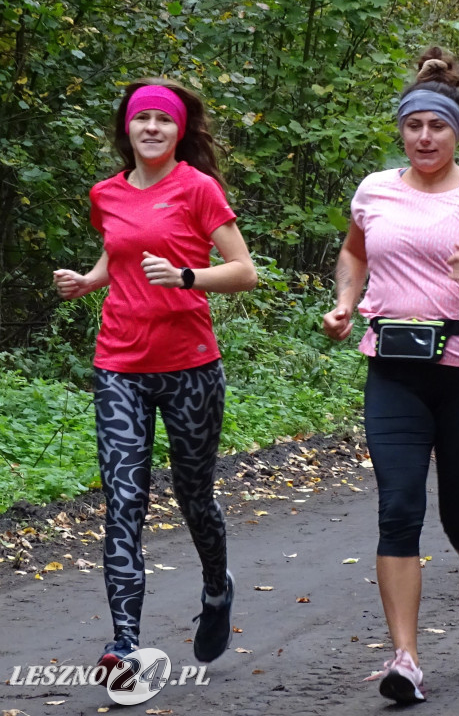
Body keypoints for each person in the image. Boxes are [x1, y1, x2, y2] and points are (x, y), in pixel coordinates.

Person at [322, 47, 459, 705]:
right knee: (398, 508)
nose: (424, 138)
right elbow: (354, 253)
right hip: (393, 368)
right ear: (402, 130)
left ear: (456, 132)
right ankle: (406, 657)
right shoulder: (374, 189)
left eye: (436, 127)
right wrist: (344, 302)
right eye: (413, 126)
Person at [52, 78, 258, 673]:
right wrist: (91, 280)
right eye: (141, 119)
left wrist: (187, 276)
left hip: (190, 367)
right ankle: (123, 645)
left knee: (195, 498)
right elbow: (119, 251)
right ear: (127, 129)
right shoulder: (106, 194)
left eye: (163, 121)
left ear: (179, 131)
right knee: (122, 501)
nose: (151, 128)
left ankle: (217, 588)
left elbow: (243, 272)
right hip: (120, 365)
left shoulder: (198, 188)